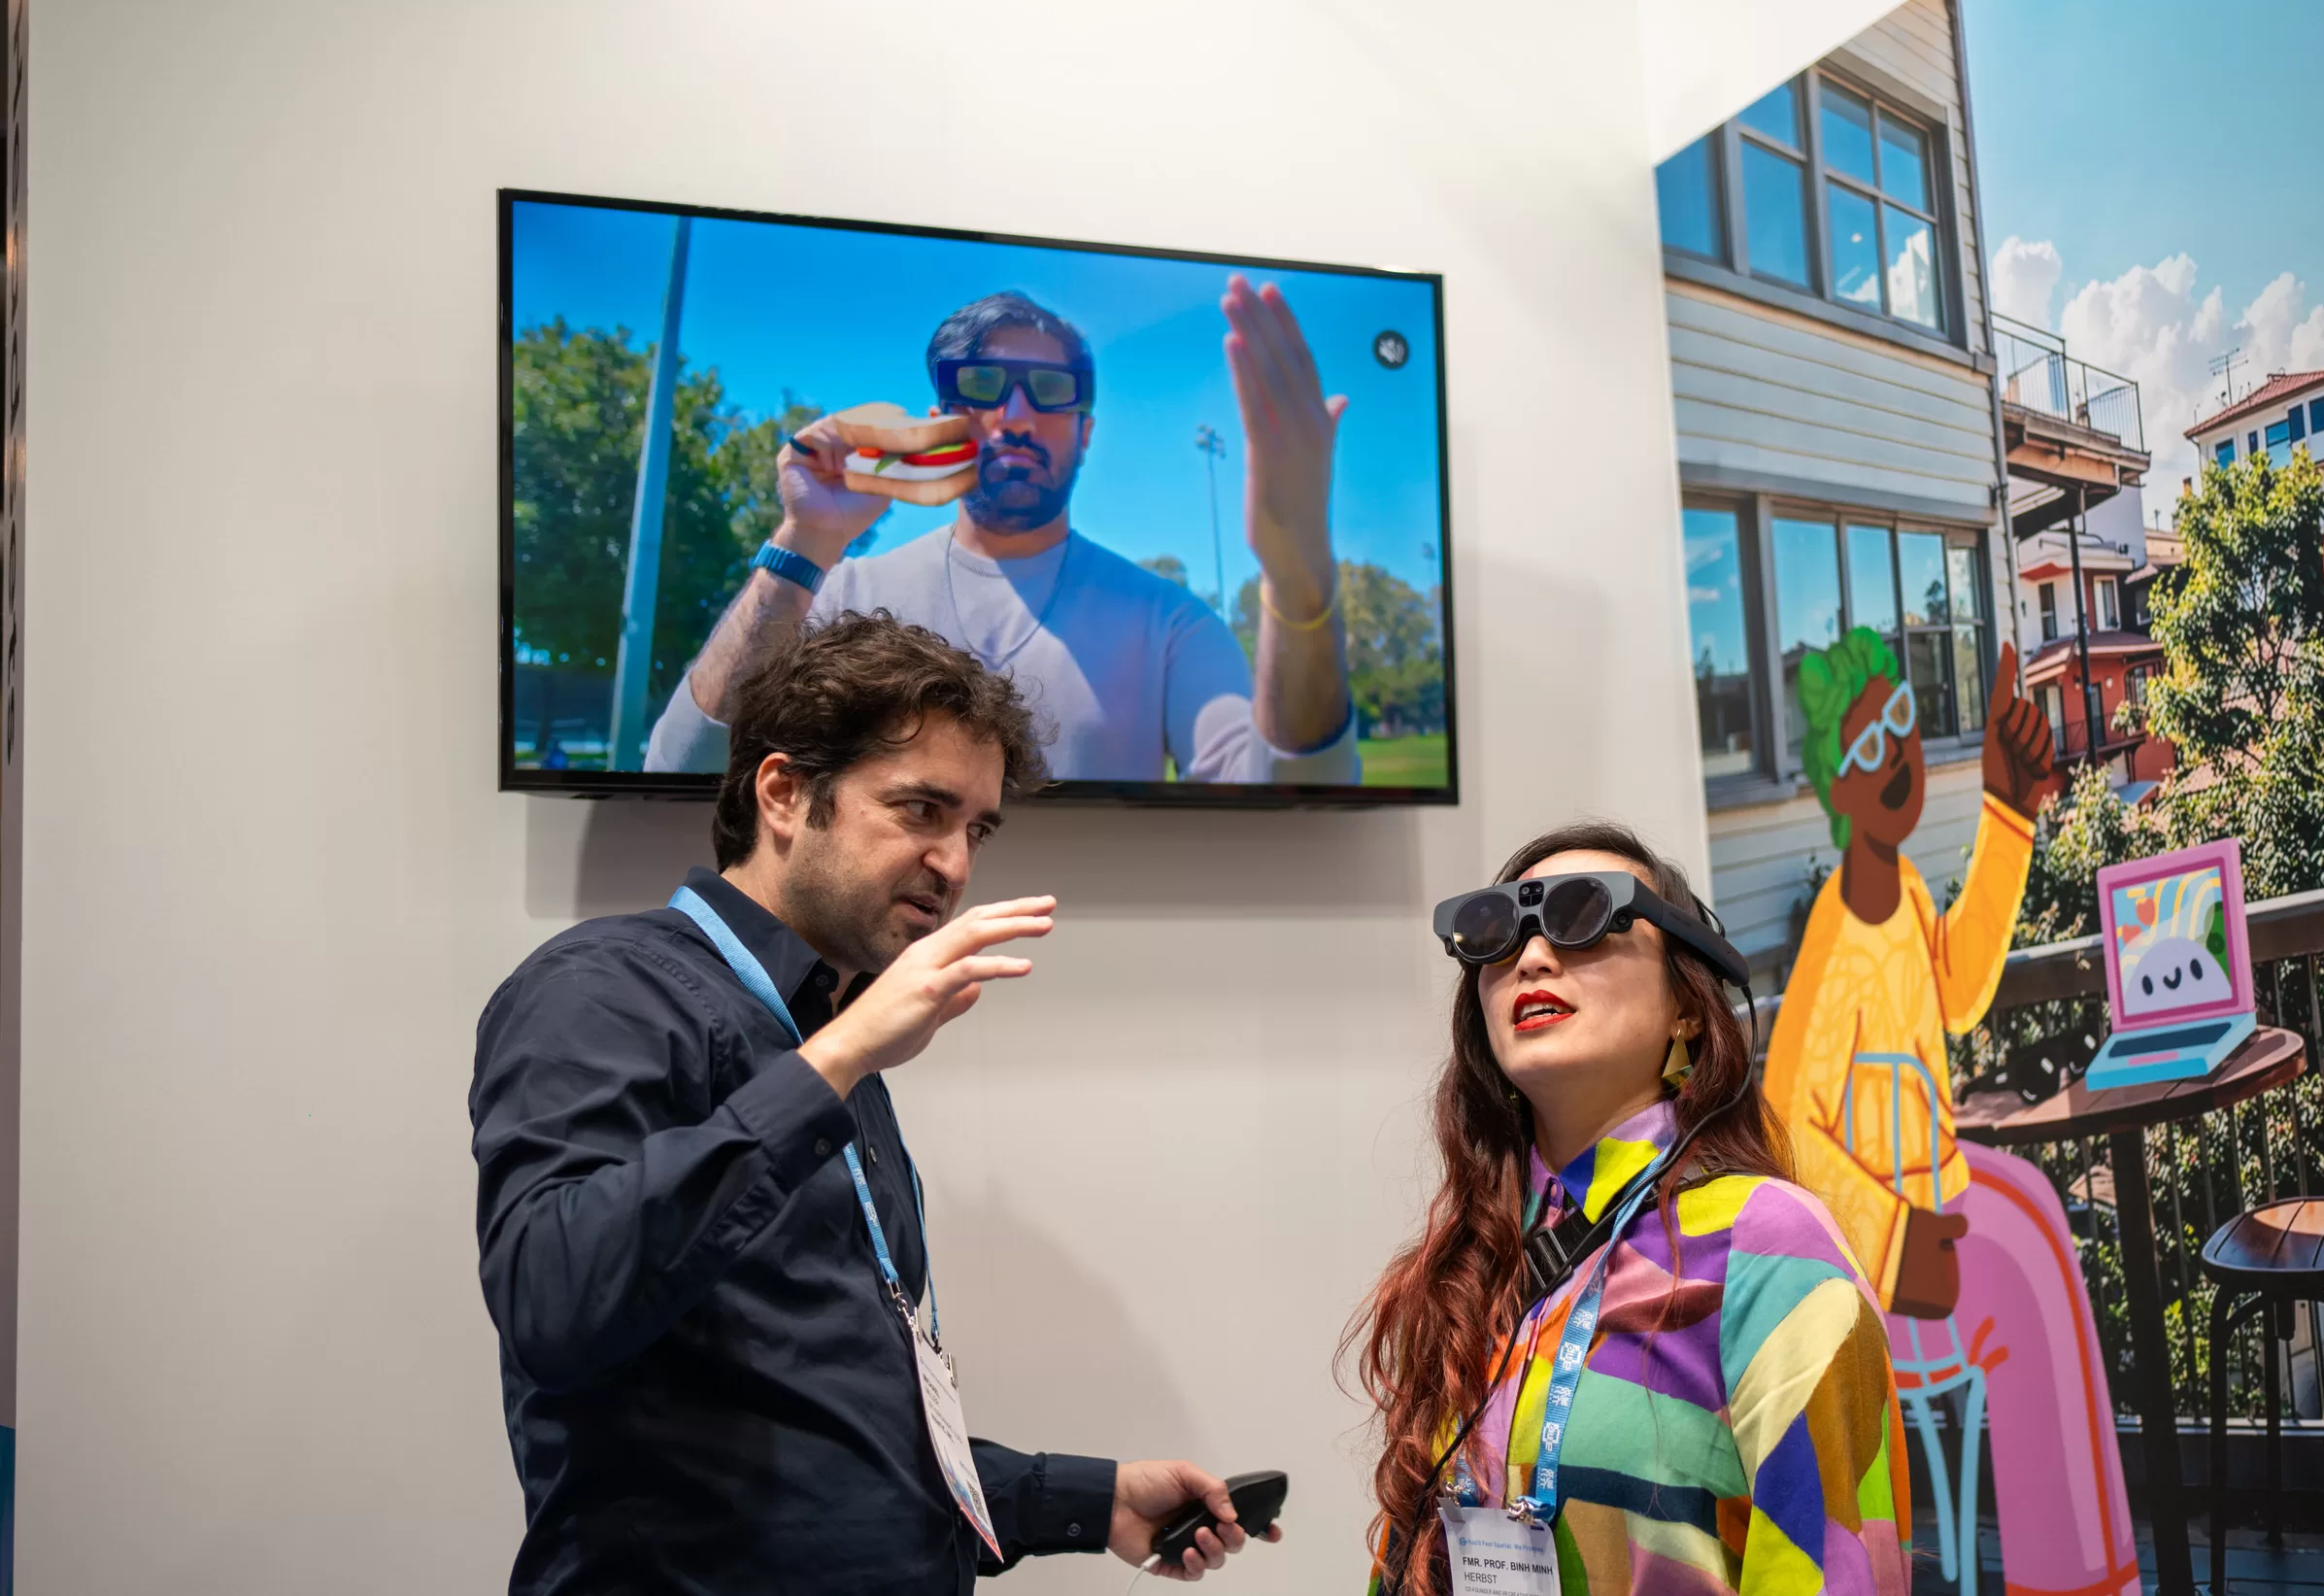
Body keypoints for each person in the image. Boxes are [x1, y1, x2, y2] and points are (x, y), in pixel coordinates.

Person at [472, 610, 1279, 1593]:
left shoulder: (829, 1038)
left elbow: (826, 1436)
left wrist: (1082, 1498)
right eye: (921, 810)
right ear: (783, 793)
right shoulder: (602, 985)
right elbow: (553, 1299)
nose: (956, 863)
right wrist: (837, 1058)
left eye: (975, 826)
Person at [1352, 821, 1909, 1596]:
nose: (1533, 956)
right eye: (1496, 933)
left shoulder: (1769, 1248)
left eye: (1584, 916)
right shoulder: (1468, 1264)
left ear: (1686, 1004)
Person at [1762, 628, 2139, 1596]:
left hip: (1927, 1207)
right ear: (1836, 790)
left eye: (1901, 723)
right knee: (2026, 1268)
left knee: (2041, 1216)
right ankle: (2075, 1578)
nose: (1894, 753)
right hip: (1881, 1264)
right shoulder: (1835, 937)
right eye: (1865, 745)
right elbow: (1784, 1121)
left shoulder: (1906, 893)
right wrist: (1892, 1239)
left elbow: (1960, 990)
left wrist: (2006, 813)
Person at [645, 282, 1360, 785]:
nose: (1015, 415)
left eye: (1050, 392)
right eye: (984, 385)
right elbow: (682, 772)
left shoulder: (1166, 620)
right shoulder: (844, 594)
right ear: (940, 420)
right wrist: (804, 541)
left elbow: (1294, 793)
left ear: (1086, 432)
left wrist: (1299, 579)